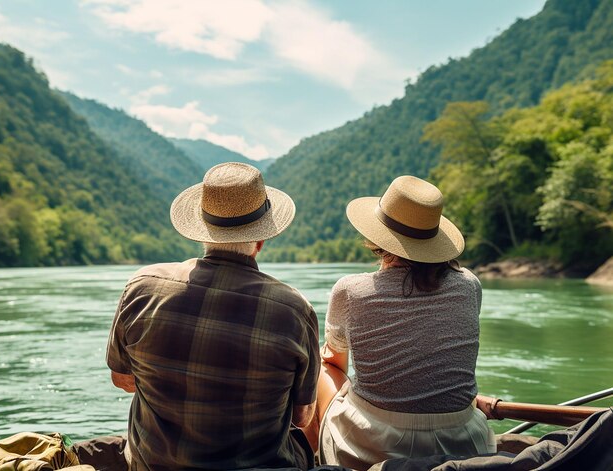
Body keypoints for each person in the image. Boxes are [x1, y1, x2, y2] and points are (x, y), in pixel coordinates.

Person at [102, 162, 320, 471]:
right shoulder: (294, 309)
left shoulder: (142, 286)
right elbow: (301, 416)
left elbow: (122, 380)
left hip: (154, 465)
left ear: (202, 232)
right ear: (260, 241)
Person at [318, 175, 496, 470]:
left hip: (375, 443)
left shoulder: (350, 290)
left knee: (324, 368)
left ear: (378, 238)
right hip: (463, 441)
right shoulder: (470, 285)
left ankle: (318, 456)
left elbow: (336, 363)